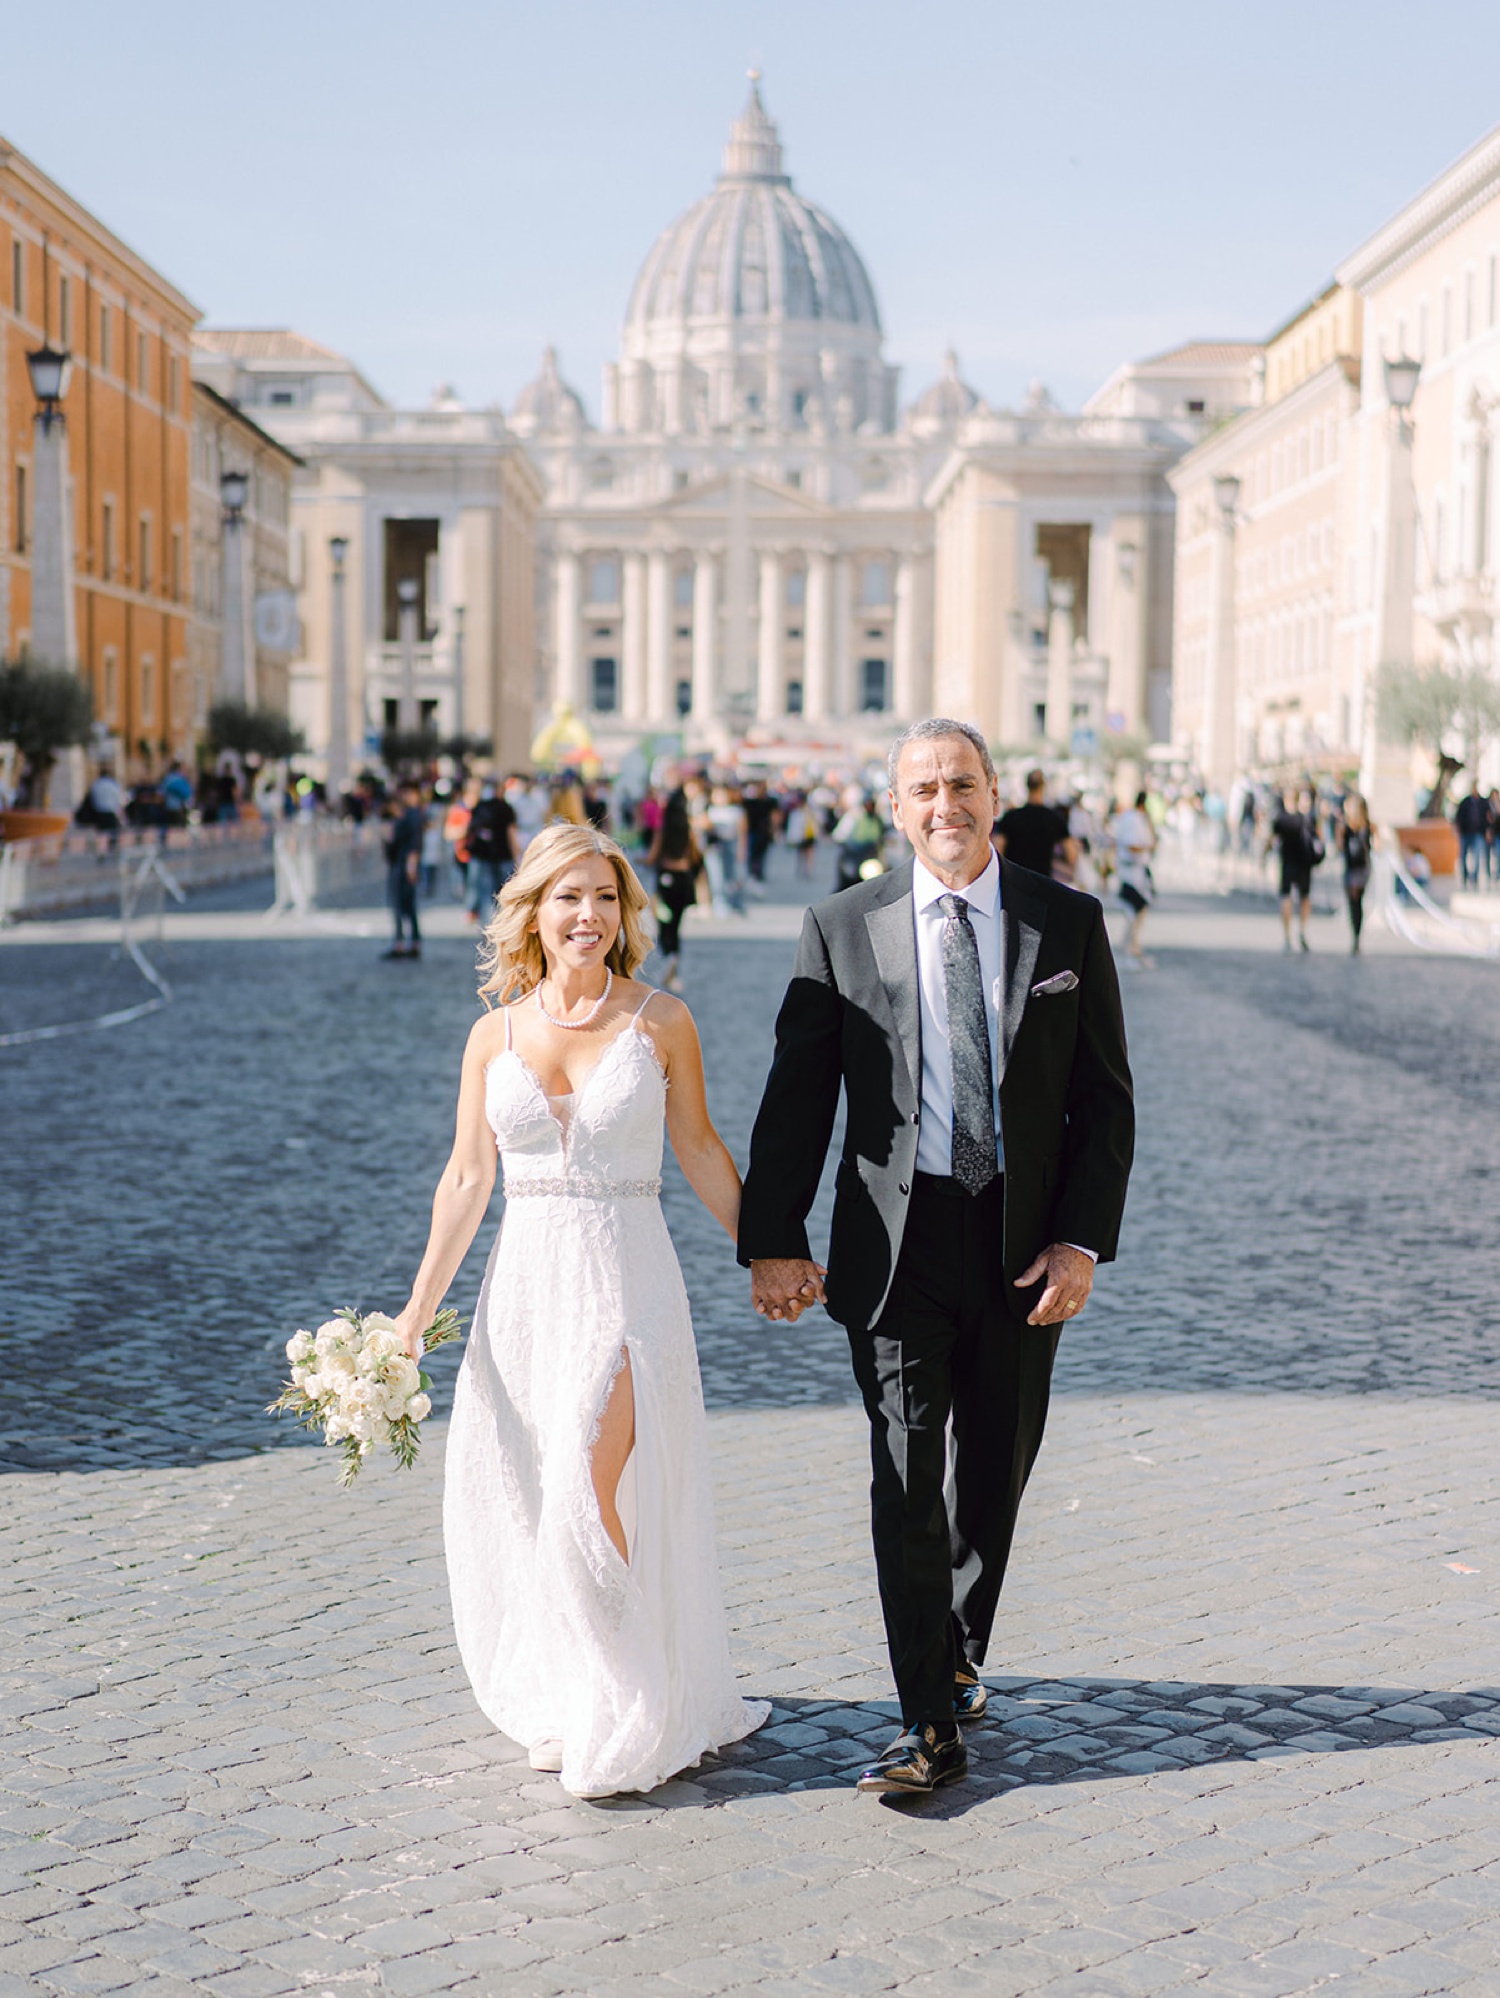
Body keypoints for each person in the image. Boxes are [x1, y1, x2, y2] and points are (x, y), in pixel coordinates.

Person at [739, 718, 1134, 1797]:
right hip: (894, 1248)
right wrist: (774, 1239)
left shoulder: (1067, 922)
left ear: (993, 797)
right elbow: (796, 1097)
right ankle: (924, 1720)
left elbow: (1105, 1103)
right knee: (906, 1476)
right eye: (922, 788)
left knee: (995, 1474)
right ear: (895, 806)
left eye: (961, 784)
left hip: (1021, 1243)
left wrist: (1079, 1242)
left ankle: (958, 1645)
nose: (943, 805)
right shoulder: (840, 926)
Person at [391, 824, 767, 1797]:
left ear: (625, 912)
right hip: (522, 1289)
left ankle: (632, 1702)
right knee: (523, 1496)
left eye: (605, 897)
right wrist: (412, 1317)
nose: (589, 916)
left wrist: (770, 1253)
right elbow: (468, 1178)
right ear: (534, 912)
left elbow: (700, 1150)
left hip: (625, 1273)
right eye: (569, 897)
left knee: (579, 1493)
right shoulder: (494, 1035)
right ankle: (572, 1688)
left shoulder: (661, 1020)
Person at [647, 788, 700, 992]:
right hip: (684, 880)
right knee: (677, 924)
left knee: (663, 922)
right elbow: (695, 855)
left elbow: (653, 855)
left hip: (666, 878)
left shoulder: (663, 829)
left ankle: (667, 954)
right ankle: (674, 959)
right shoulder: (688, 829)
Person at [994, 768, 1077, 878]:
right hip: (1042, 882)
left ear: (1027, 786)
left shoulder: (1011, 817)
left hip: (1014, 880)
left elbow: (998, 851)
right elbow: (1072, 855)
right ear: (1043, 786)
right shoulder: (1053, 818)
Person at [1270, 789, 1321, 953]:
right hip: (1304, 864)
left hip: (1288, 863)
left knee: (1286, 897)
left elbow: (1272, 840)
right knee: (1304, 897)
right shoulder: (1308, 820)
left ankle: (1287, 936)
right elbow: (1319, 840)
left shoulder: (1282, 820)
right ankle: (1302, 930)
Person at [1110, 790, 1157, 966]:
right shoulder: (1133, 820)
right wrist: (1146, 847)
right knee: (1133, 910)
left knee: (1137, 911)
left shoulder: (1134, 818)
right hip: (1131, 872)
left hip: (1136, 872)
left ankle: (1131, 946)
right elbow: (1132, 845)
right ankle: (1129, 948)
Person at [465, 781, 520, 925]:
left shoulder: (479, 807)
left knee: (486, 893)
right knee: (503, 893)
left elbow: (470, 829)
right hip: (503, 855)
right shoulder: (506, 808)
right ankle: (501, 924)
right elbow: (511, 834)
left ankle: (487, 926)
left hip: (482, 855)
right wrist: (517, 857)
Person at [383, 781, 425, 960]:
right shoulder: (412, 815)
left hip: (403, 864)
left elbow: (413, 844)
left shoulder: (411, 816)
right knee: (408, 905)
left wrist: (411, 866)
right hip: (403, 863)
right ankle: (412, 941)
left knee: (400, 905)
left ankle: (401, 942)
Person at [1339, 792, 1375, 953]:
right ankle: (1356, 935)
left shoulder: (1368, 826)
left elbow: (1377, 844)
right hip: (1352, 867)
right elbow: (1340, 846)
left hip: (1361, 867)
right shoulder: (1345, 826)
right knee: (1354, 902)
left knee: (1356, 900)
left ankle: (1356, 935)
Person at [1454, 780, 1490, 890]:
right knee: (1463, 856)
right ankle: (1465, 877)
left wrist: (1488, 831)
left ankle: (1474, 878)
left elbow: (1488, 818)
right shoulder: (1465, 802)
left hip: (1479, 833)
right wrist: (1458, 830)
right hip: (1466, 833)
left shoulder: (1484, 802)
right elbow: (1458, 817)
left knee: (1477, 856)